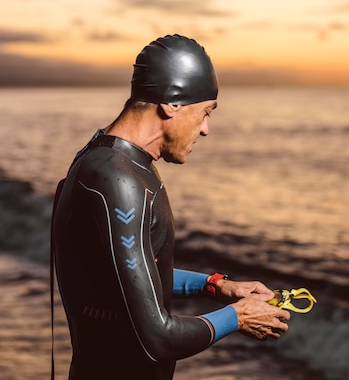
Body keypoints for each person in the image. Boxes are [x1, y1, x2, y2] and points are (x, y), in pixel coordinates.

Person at [51, 34, 290, 380]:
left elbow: (131, 277)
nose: (206, 129)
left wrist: (216, 286)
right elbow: (156, 339)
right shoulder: (118, 180)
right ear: (172, 104)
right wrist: (237, 316)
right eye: (205, 113)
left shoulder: (107, 162)